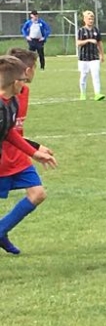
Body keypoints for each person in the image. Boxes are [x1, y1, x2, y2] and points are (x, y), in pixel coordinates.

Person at [0, 51, 59, 255]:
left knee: (38, 193)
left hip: (15, 157)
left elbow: (9, 132)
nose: (25, 83)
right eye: (23, 79)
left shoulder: (12, 102)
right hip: (4, 160)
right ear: (16, 81)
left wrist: (34, 152)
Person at [76, 10, 105, 101]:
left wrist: (102, 54)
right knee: (83, 76)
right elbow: (78, 43)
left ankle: (97, 94)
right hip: (83, 58)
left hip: (94, 57)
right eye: (89, 19)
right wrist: (88, 40)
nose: (91, 21)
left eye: (92, 19)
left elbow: (99, 43)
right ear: (85, 19)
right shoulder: (81, 30)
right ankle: (83, 94)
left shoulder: (96, 30)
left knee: (96, 75)